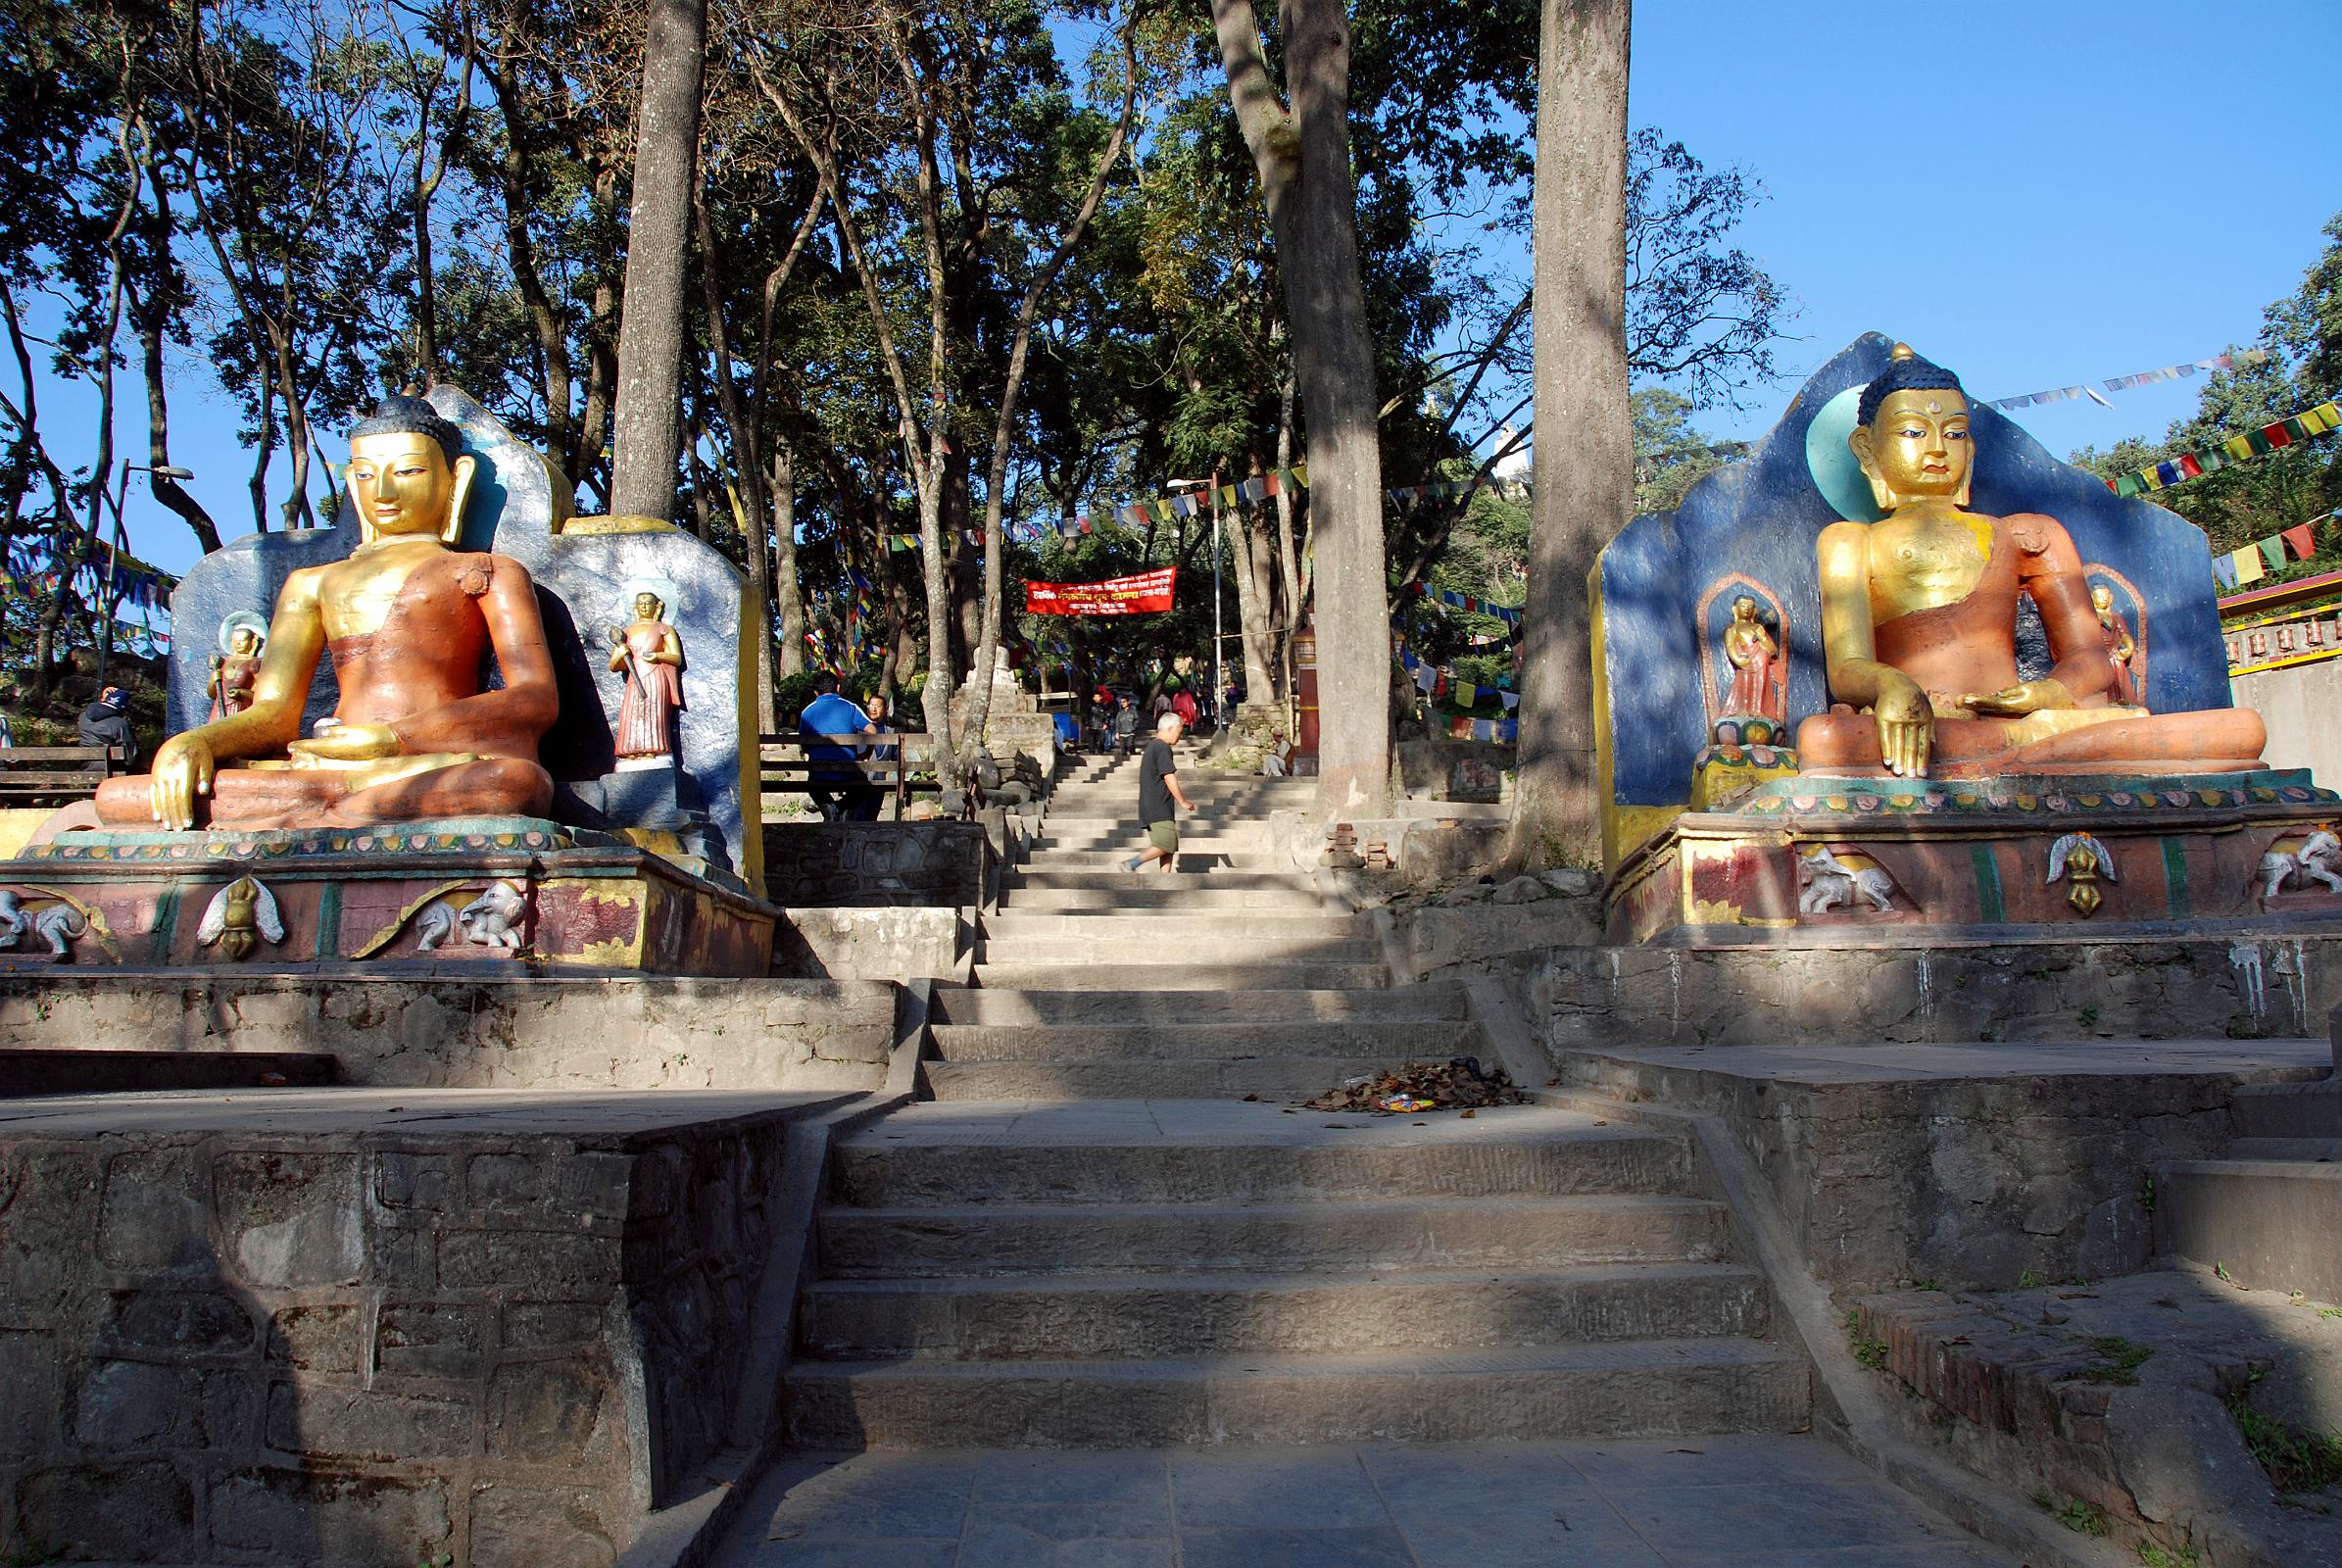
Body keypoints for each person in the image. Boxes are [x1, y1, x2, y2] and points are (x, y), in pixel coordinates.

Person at [94, 393, 559, 830]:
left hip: (429, 761)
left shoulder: (487, 571)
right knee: (119, 799)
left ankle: (318, 816)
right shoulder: (313, 583)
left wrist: (393, 739)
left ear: (454, 478)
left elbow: (535, 697)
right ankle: (345, 812)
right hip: (324, 766)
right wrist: (194, 742)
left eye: (408, 471)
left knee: (514, 785)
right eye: (364, 474)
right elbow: (275, 712)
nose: (384, 492)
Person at [1799, 343, 2262, 779]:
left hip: (2026, 720)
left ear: (1971, 448)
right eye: (1913, 432)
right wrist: (1891, 687)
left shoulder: (2029, 534)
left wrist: (2047, 694)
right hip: (1926, 726)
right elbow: (1847, 669)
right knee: (1825, 739)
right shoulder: (1850, 541)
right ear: (1866, 448)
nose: (1938, 448)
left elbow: (2089, 658)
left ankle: (2018, 751)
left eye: (1955, 432)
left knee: (2243, 730)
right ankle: (2028, 756)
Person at [799, 672, 877, 821]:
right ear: (838, 687)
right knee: (863, 784)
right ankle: (844, 808)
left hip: (819, 774)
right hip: (848, 773)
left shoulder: (807, 712)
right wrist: (867, 753)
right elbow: (873, 731)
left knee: (813, 785)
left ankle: (830, 807)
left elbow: (804, 743)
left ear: (816, 692)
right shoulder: (850, 707)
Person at [1124, 711, 1195, 873]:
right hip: (1158, 806)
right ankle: (1131, 864)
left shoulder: (1154, 747)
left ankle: (1165, 879)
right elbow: (1169, 776)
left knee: (1168, 846)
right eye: (1178, 731)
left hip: (1155, 806)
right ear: (1170, 729)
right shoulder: (1162, 747)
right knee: (1166, 843)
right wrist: (1183, 801)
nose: (1179, 736)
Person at [77, 684, 137, 766]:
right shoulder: (120, 724)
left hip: (87, 768)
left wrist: (103, 699)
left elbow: (99, 710)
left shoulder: (83, 717)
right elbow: (131, 758)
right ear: (123, 707)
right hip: (113, 771)